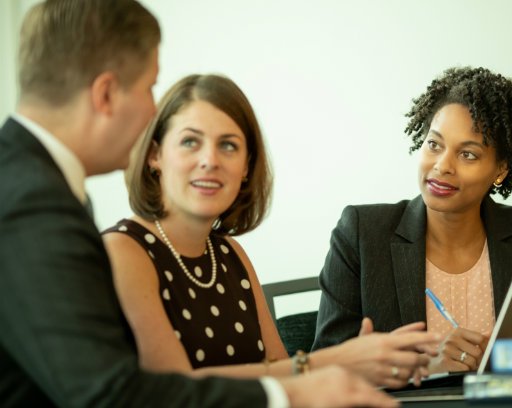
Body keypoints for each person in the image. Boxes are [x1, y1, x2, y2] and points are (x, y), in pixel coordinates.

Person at [0, 1, 400, 407]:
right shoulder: (33, 201)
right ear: (106, 93)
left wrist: (331, 372)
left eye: (228, 145)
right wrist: (308, 381)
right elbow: (114, 392)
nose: (150, 110)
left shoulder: (36, 186)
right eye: (149, 87)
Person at [102, 73, 440, 390]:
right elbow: (178, 391)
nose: (210, 160)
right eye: (190, 141)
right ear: (154, 155)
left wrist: (366, 362)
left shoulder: (228, 253)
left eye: (229, 145)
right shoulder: (124, 251)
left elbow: (285, 379)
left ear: (247, 166)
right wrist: (335, 361)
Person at [311, 66, 512, 373]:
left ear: (500, 170)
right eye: (434, 144)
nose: (442, 165)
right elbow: (323, 367)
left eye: (467, 154)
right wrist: (426, 365)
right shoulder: (362, 233)